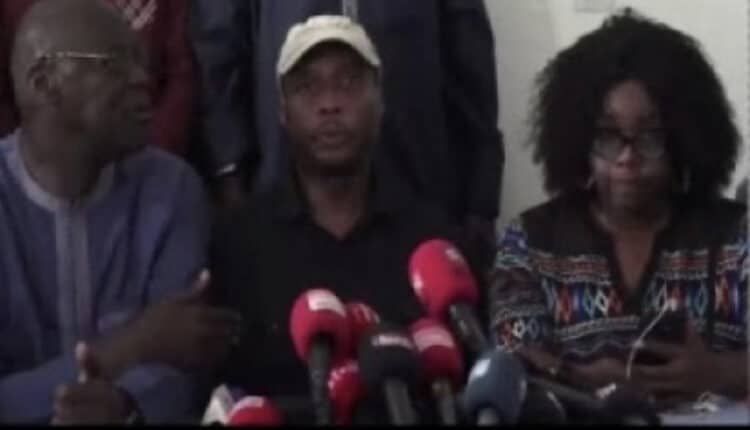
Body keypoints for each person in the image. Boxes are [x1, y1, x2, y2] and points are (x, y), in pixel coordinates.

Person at [211, 15, 474, 423]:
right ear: (282, 111)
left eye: (349, 82)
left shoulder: (434, 243)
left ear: (380, 101)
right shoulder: (239, 244)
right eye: (307, 87)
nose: (329, 103)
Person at [489, 9, 747, 413]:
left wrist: (719, 373)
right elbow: (512, 367)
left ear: (682, 140)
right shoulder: (532, 243)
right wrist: (583, 381)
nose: (628, 157)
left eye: (650, 137)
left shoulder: (735, 237)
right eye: (608, 136)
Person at [0, 0, 239, 423]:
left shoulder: (172, 189)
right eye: (114, 64)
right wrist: (132, 346)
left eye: (140, 61)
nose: (142, 79)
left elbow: (187, 365)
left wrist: (127, 404)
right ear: (44, 82)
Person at [191, 0, 503, 269]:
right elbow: (220, 48)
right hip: (286, 192)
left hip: (416, 177)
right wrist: (230, 176)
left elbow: (470, 58)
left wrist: (482, 197)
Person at [0, 0, 195, 157]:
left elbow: (180, 74)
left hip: (148, 153)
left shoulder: (173, 183)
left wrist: (150, 158)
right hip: (41, 161)